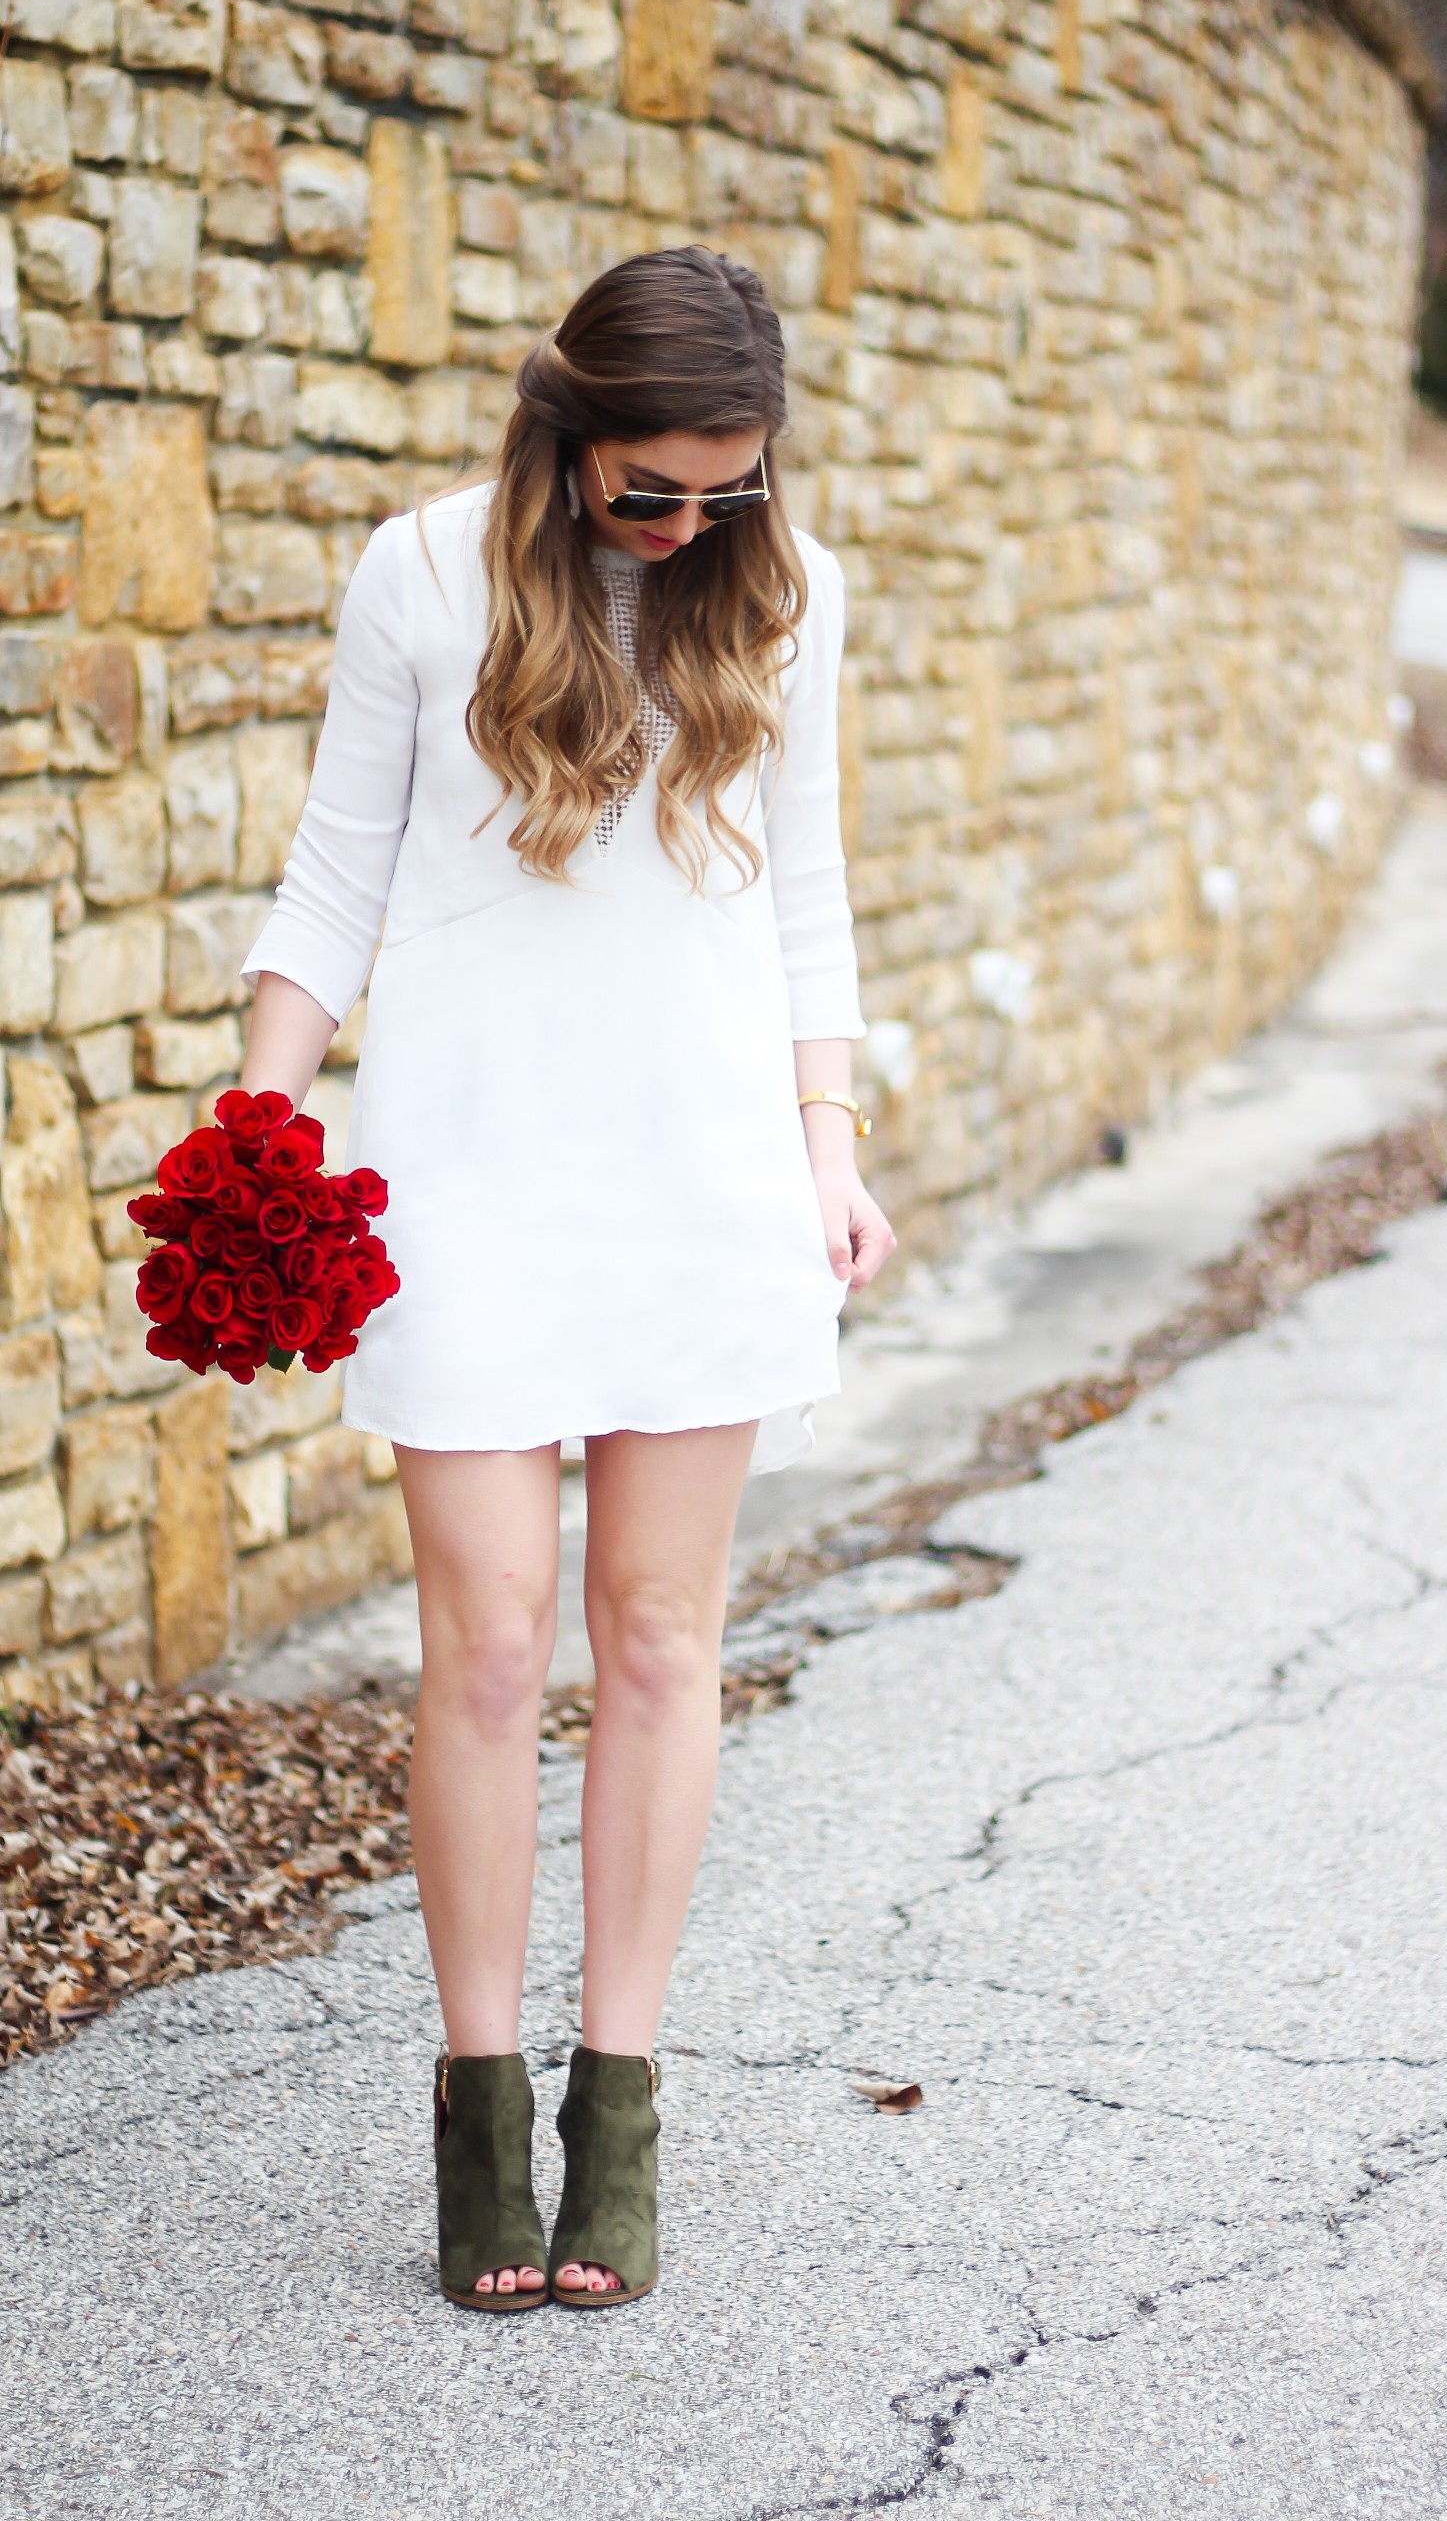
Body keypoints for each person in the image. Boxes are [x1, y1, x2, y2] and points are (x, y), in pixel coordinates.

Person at [238, 245, 895, 2312]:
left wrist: (831, 1147)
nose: (686, 526)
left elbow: (810, 898)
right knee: (495, 1652)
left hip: (704, 1176)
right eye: (650, 491)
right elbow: (335, 872)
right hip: (467, 1179)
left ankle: (621, 2100)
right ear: (568, 432)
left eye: (725, 491)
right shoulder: (424, 577)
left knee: (661, 1639)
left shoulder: (782, 594)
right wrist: (258, 1124)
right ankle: (479, 2105)